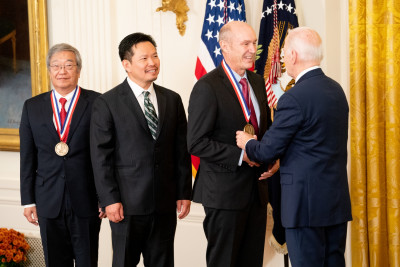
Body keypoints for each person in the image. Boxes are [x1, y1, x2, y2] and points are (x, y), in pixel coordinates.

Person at [236, 27, 352, 267]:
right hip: (335, 203)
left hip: (304, 207)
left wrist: (248, 143)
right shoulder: (336, 90)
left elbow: (267, 150)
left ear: (294, 56)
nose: (281, 57)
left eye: (285, 52)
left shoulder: (294, 97)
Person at [90, 32, 192, 267]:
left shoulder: (172, 99)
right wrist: (109, 199)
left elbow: (181, 150)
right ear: (126, 65)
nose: (152, 63)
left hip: (164, 204)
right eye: (144, 58)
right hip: (126, 206)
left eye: (155, 56)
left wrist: (183, 191)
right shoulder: (107, 103)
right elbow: (101, 157)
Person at [187, 21, 277, 267]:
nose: (252, 50)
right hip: (223, 195)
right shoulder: (207, 87)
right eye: (245, 44)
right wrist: (241, 156)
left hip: (257, 192)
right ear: (224, 46)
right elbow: (196, 142)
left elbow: (264, 130)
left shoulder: (258, 82)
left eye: (254, 43)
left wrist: (271, 156)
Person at [20, 43, 104, 267]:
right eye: (56, 66)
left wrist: (106, 197)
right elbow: (28, 158)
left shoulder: (98, 103)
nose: (62, 71)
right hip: (48, 200)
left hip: (87, 200)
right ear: (49, 70)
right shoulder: (32, 106)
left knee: (88, 262)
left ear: (78, 69)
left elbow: (106, 155)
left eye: (68, 65)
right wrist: (28, 200)